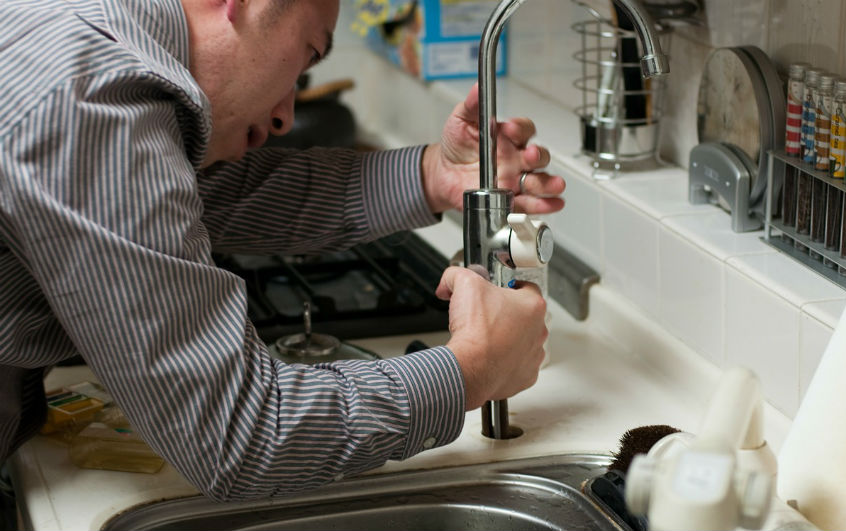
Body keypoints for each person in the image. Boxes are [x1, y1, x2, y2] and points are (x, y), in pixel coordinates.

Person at [0, 0, 565, 503]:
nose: (285, 115)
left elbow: (219, 195)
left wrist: (433, 175)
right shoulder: (94, 97)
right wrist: (471, 370)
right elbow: (240, 434)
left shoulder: (92, 35)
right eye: (307, 54)